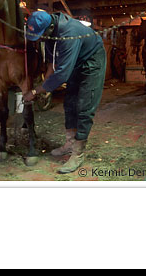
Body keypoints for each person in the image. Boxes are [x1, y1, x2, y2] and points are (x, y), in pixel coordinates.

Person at [22, 11, 106, 174]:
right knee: (69, 103)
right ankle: (70, 143)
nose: (39, 39)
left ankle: (78, 153)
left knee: (84, 106)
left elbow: (62, 74)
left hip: (92, 61)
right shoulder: (49, 35)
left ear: (50, 28)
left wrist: (36, 90)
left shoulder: (69, 33)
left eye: (39, 36)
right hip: (76, 61)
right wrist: (46, 87)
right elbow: (52, 64)